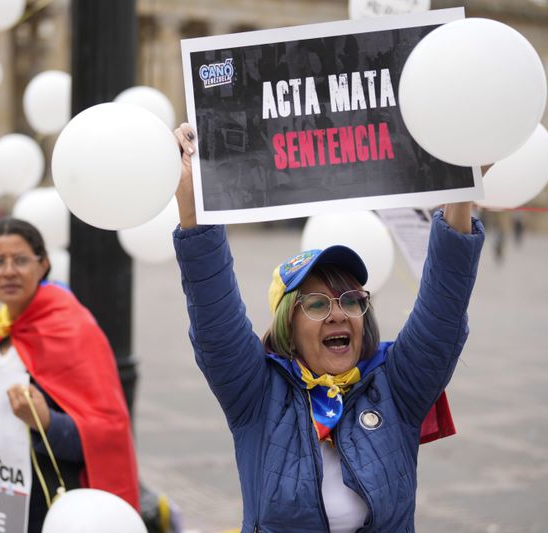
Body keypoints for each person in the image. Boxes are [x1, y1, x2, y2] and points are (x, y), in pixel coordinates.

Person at [172, 124, 485, 532]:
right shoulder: (256, 394)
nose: (338, 314)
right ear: (289, 324)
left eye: (351, 300)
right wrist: (193, 208)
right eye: (317, 304)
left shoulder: (396, 387)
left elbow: (443, 309)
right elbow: (215, 316)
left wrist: (461, 189)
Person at [0, 218, 138, 532]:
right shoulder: (1, 332)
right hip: (7, 502)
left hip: (55, 502)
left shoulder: (71, 327)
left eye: (21, 260)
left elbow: (108, 430)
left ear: (44, 265)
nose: (9, 271)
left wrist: (45, 420)